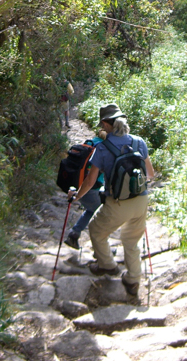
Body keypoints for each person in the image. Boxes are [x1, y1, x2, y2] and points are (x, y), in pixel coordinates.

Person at [69, 104, 154, 296]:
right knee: (131, 240)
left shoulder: (102, 148)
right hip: (141, 200)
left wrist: (77, 196)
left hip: (117, 203)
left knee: (96, 230)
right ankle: (133, 280)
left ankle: (107, 265)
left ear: (107, 125)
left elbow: (90, 181)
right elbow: (150, 174)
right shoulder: (139, 142)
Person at [63, 129, 107, 250]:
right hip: (92, 188)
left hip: (79, 186)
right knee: (102, 214)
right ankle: (101, 248)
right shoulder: (104, 148)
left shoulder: (90, 142)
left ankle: (74, 234)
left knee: (91, 210)